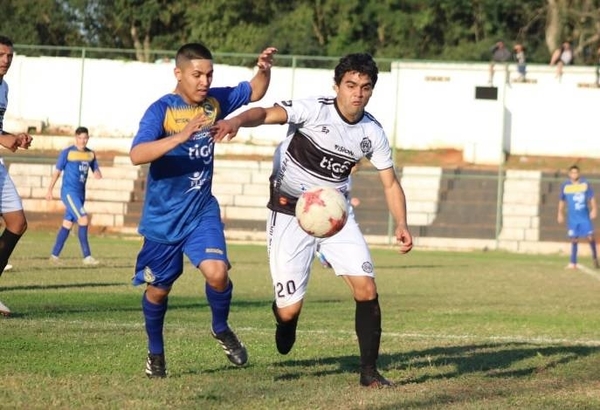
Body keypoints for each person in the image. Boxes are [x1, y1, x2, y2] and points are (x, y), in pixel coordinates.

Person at [211, 53, 414, 388]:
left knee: (367, 289)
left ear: (371, 91)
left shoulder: (371, 132)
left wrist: (402, 224)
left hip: (336, 218)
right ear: (337, 86)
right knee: (289, 310)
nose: (357, 93)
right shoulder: (314, 110)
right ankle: (284, 320)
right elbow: (264, 113)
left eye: (365, 87)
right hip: (290, 214)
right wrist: (235, 122)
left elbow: (390, 182)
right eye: (350, 85)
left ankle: (369, 373)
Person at [129, 42, 277, 378]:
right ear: (178, 74)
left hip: (200, 211)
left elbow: (254, 91)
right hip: (163, 220)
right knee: (158, 290)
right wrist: (179, 137)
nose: (204, 81)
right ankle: (155, 354)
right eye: (197, 74)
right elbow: (137, 154)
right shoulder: (160, 111)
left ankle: (221, 328)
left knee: (217, 272)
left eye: (209, 74)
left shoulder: (214, 103)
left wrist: (264, 70)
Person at [0, 35, 33, 316]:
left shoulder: (4, 88)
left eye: (9, 56)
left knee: (17, 222)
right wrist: (4, 138)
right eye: (1, 54)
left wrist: (14, 137)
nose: (5, 60)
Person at [46, 126, 102, 265]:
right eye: (80, 138)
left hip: (80, 194)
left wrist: (97, 173)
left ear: (88, 138)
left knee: (67, 224)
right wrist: (49, 189)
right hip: (69, 193)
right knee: (83, 219)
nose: (83, 141)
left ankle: (54, 256)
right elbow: (57, 172)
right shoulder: (67, 152)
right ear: (76, 138)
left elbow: (95, 169)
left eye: (85, 138)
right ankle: (87, 257)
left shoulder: (90, 154)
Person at [557, 165, 599, 269]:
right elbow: (562, 200)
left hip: (584, 217)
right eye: (573, 173)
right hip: (573, 218)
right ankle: (573, 262)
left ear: (579, 174)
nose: (574, 174)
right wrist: (560, 213)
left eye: (576, 172)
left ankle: (595, 257)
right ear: (569, 174)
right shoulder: (565, 186)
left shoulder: (585, 184)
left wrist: (594, 209)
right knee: (574, 239)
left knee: (590, 237)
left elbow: (591, 197)